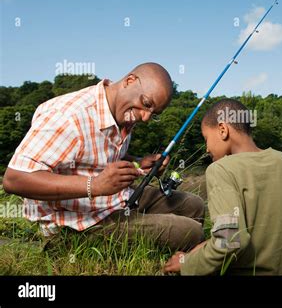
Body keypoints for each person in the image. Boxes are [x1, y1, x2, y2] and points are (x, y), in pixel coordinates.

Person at [3, 62, 205, 251]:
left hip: (114, 201)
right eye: (146, 104)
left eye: (154, 113)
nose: (145, 118)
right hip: (74, 224)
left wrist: (138, 162)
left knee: (194, 206)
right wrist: (95, 185)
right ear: (129, 81)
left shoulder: (123, 112)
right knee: (190, 231)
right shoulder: (68, 116)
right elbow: (15, 179)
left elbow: (100, 159)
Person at [164, 99, 282, 275]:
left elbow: (230, 241)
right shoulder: (280, 159)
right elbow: (259, 227)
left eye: (206, 139)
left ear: (223, 130)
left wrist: (186, 264)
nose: (206, 148)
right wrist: (204, 247)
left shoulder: (220, 169)